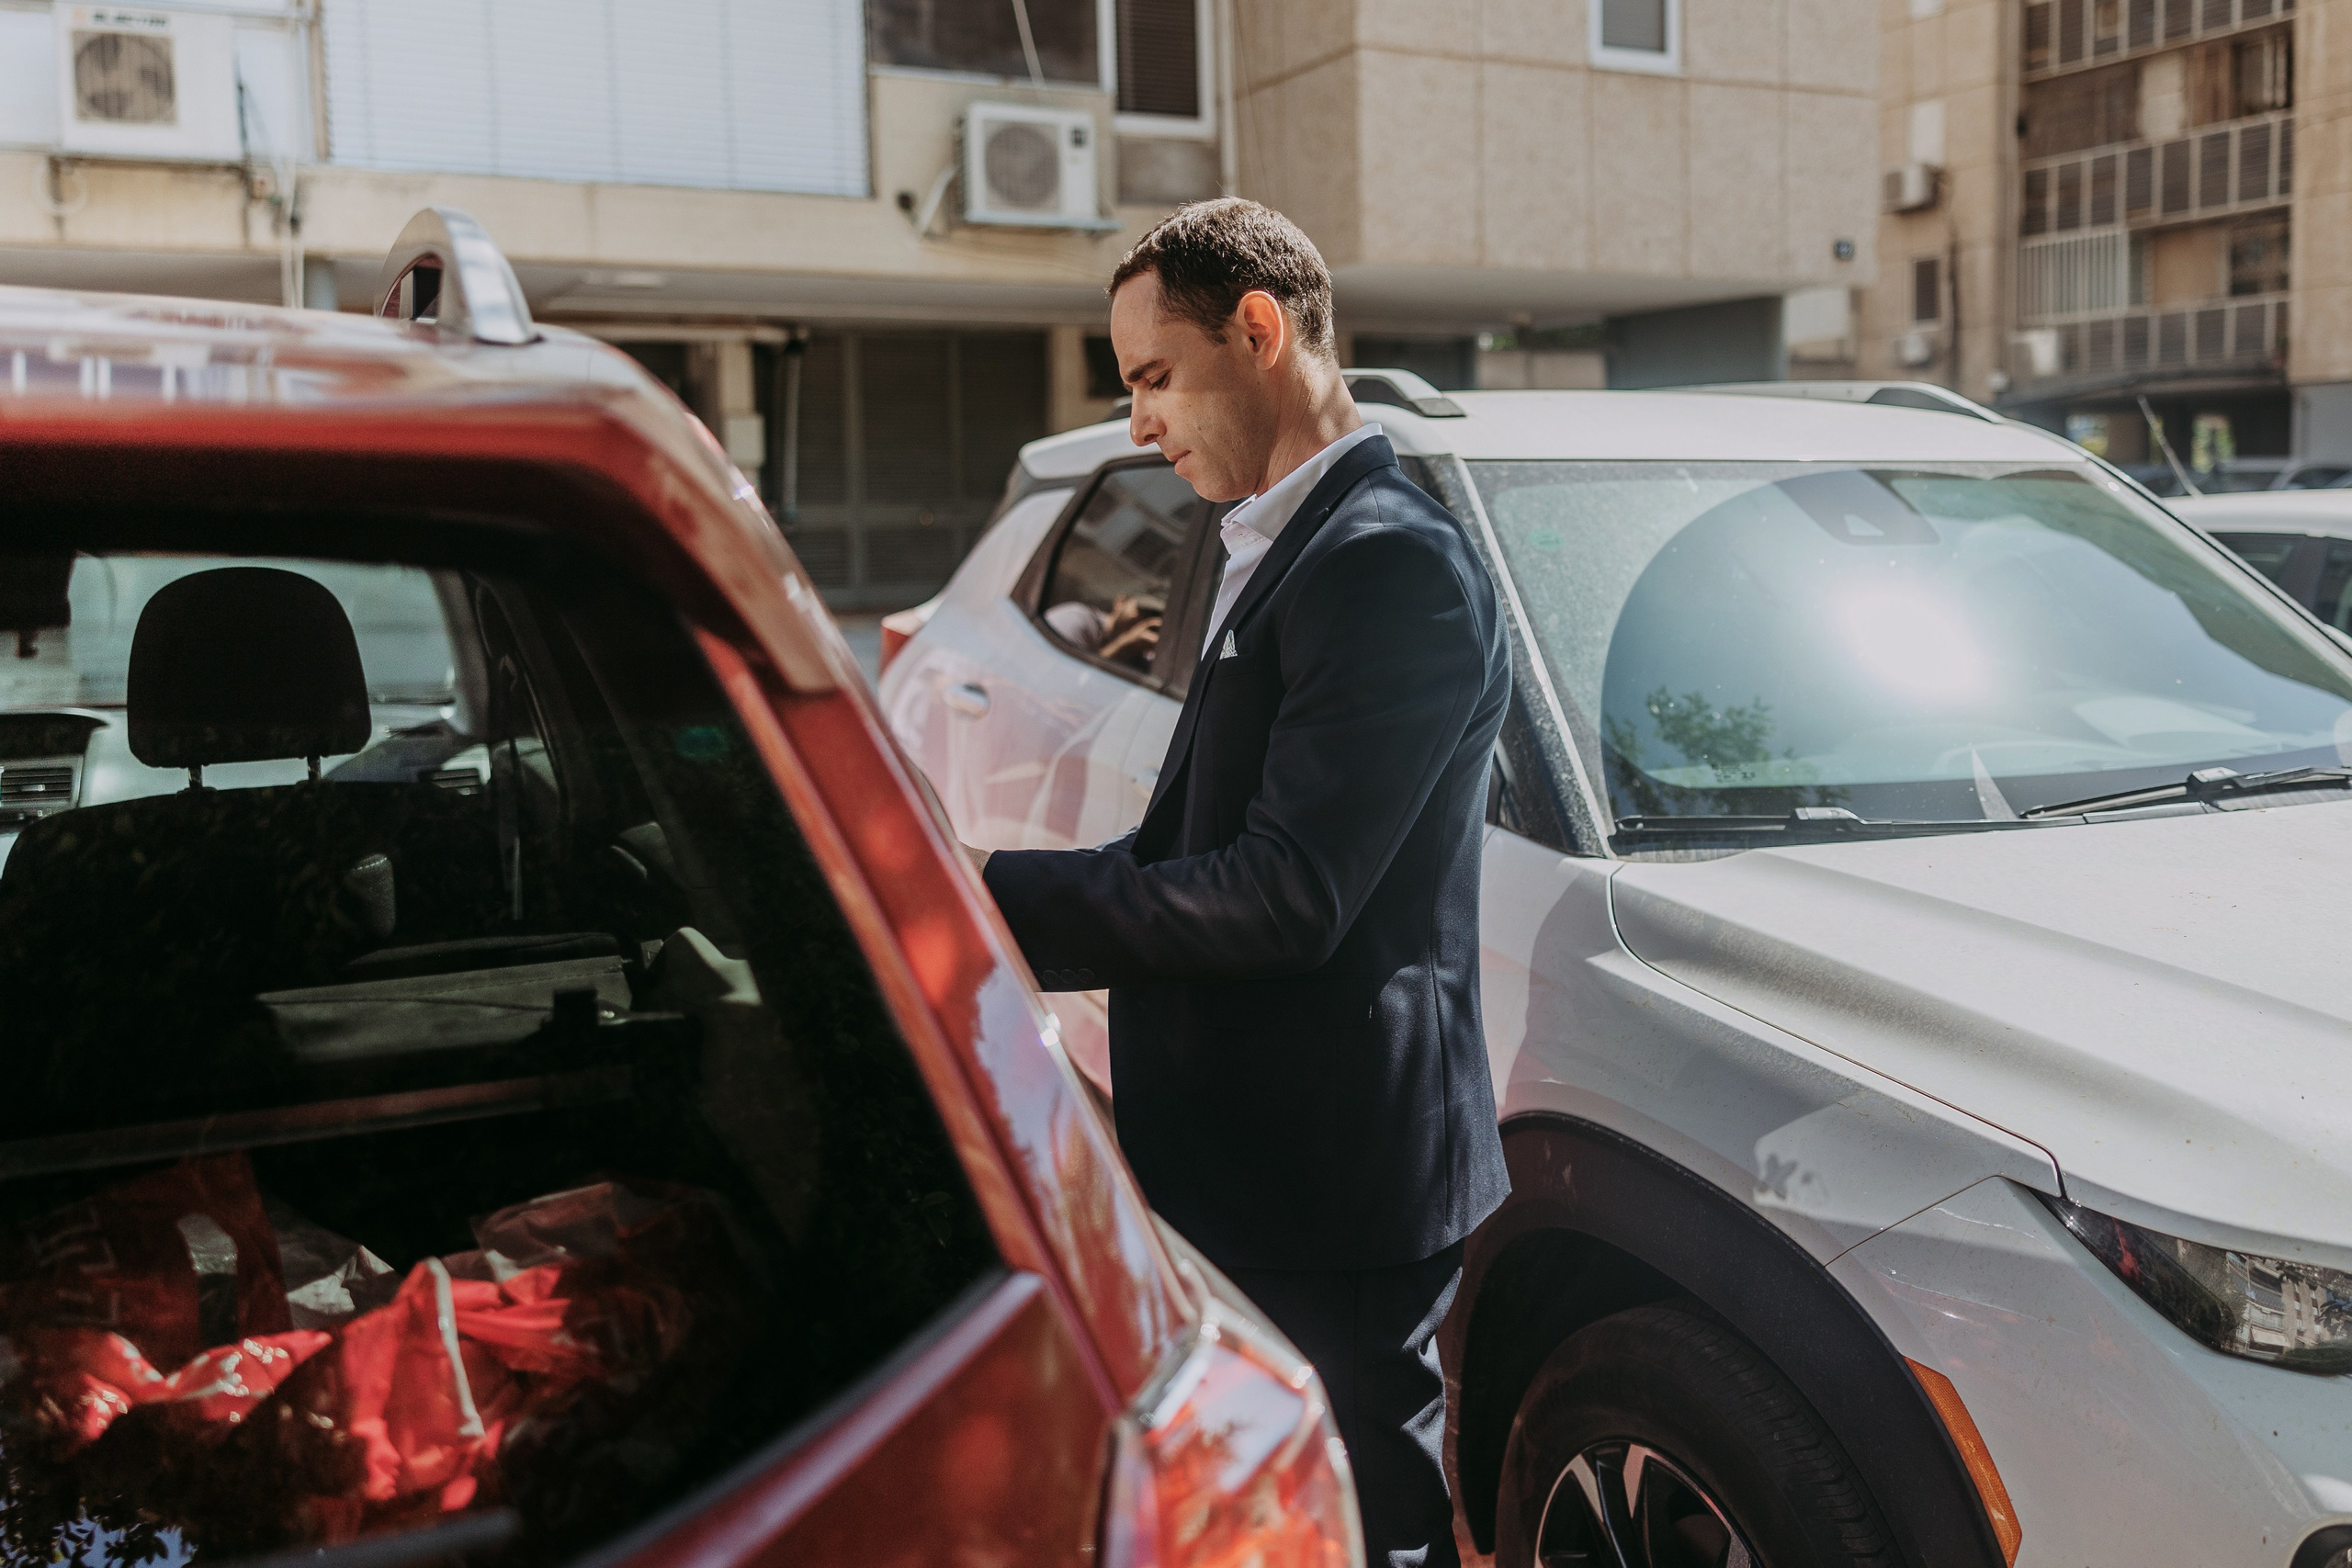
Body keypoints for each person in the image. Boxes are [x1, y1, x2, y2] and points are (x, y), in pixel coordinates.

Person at [970, 198, 1510, 1568]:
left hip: (1331, 1176)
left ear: (1259, 331)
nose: (1139, 424)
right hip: (1248, 1155)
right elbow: (1179, 850)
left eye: (1153, 377)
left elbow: (1283, 894)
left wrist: (990, 906)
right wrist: (971, 892)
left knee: (1369, 1523)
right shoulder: (1264, 541)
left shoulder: (1388, 563)